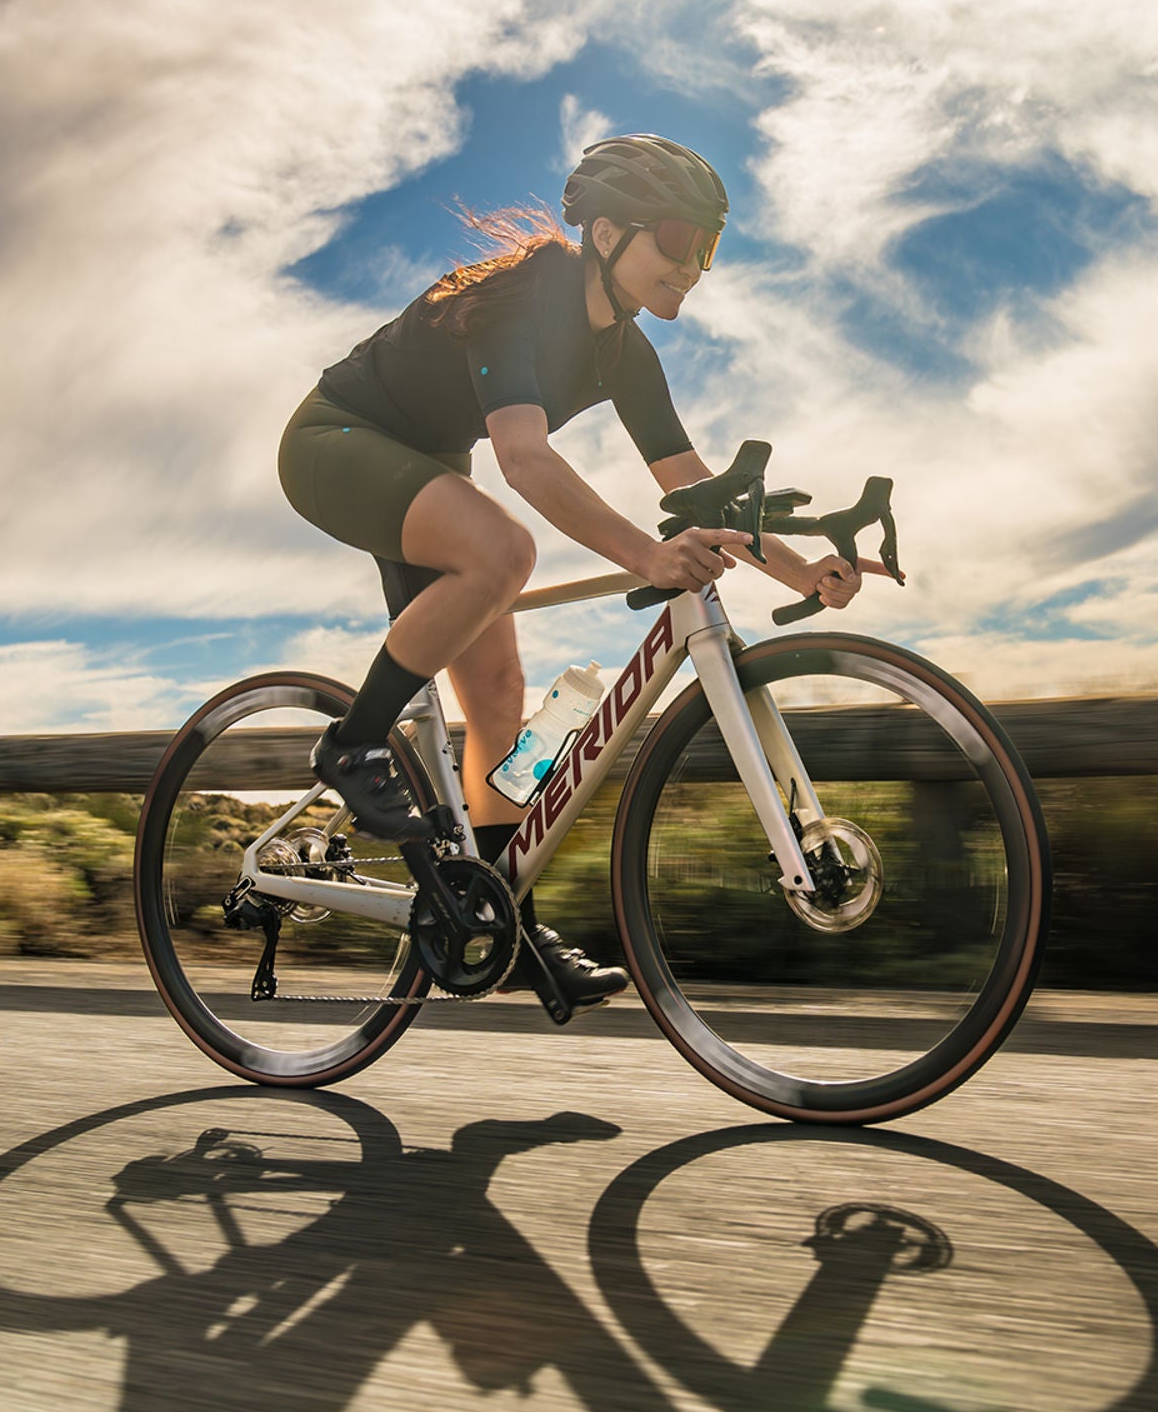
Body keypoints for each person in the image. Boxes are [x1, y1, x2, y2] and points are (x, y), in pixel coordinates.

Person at [278, 134, 868, 1013]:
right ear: (603, 233)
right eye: (676, 238)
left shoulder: (626, 353)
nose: (694, 265)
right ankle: (353, 741)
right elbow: (526, 460)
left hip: (428, 457)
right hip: (337, 439)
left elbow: (694, 490)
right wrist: (647, 556)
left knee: (500, 700)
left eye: (706, 248)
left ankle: (502, 923)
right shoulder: (526, 300)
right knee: (504, 552)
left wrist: (802, 573)